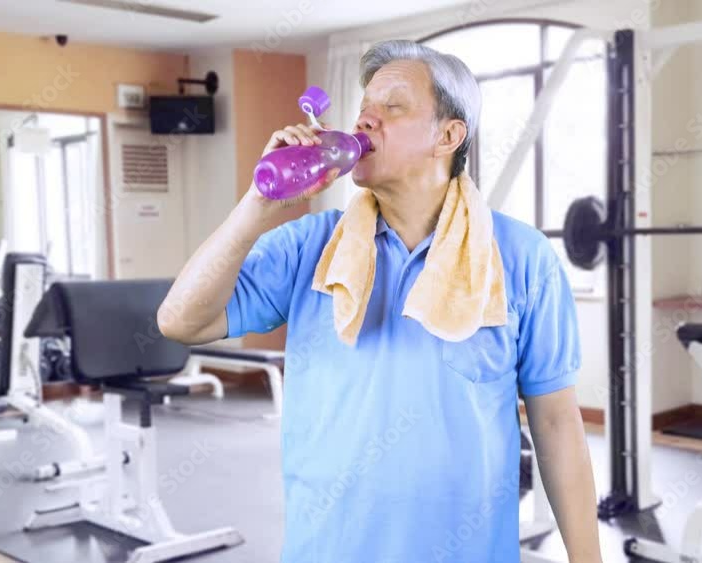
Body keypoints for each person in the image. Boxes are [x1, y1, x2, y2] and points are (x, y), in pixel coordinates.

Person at [159, 39, 602, 563]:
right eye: (364, 108)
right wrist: (261, 201)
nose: (365, 121)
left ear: (449, 135)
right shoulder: (311, 246)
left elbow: (555, 423)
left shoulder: (522, 258)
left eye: (392, 107)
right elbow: (180, 320)